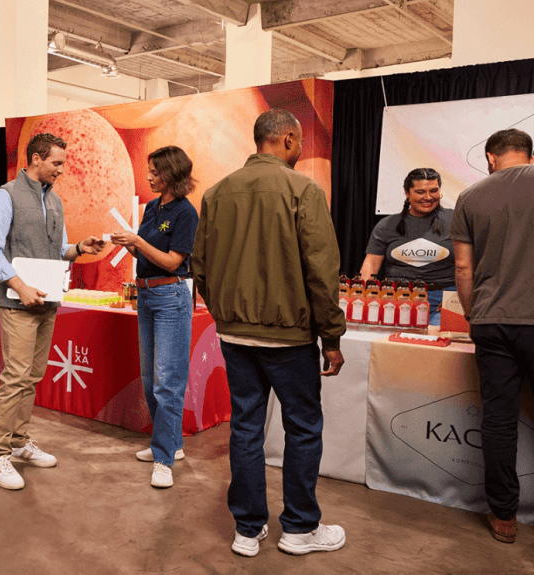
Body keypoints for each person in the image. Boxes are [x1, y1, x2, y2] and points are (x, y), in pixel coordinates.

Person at [190, 109, 347, 557]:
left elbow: (199, 264)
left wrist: (224, 313)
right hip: (289, 338)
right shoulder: (303, 189)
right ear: (291, 140)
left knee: (244, 428)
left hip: (235, 335)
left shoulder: (217, 193)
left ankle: (247, 528)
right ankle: (299, 529)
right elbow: (322, 270)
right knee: (301, 428)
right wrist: (331, 337)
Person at [0, 132, 105, 490]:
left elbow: (58, 249)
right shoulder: (5, 197)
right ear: (36, 159)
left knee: (33, 377)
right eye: (56, 163)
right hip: (18, 303)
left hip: (47, 301)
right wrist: (18, 286)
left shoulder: (56, 202)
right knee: (15, 376)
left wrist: (79, 247)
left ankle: (19, 442)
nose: (61, 170)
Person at [450, 128, 534, 545]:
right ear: (530, 156)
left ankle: (504, 516)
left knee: (499, 421)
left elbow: (463, 269)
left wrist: (472, 312)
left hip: (492, 322)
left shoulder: (470, 196)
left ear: (490, 157)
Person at [110, 146, 198, 489]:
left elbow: (174, 261)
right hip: (146, 294)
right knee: (150, 378)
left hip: (172, 296)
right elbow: (148, 251)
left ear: (171, 174)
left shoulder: (186, 213)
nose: (148, 176)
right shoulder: (152, 209)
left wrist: (137, 242)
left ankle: (163, 460)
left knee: (167, 381)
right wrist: (129, 243)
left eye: (155, 171)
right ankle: (170, 445)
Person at [359, 168, 455, 325]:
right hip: (399, 298)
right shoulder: (387, 225)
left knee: (435, 345)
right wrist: (367, 297)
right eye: (420, 192)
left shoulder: (455, 219)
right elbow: (370, 265)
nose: (428, 197)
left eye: (434, 191)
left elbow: (471, 263)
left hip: (444, 299)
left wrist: (457, 301)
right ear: (407, 193)